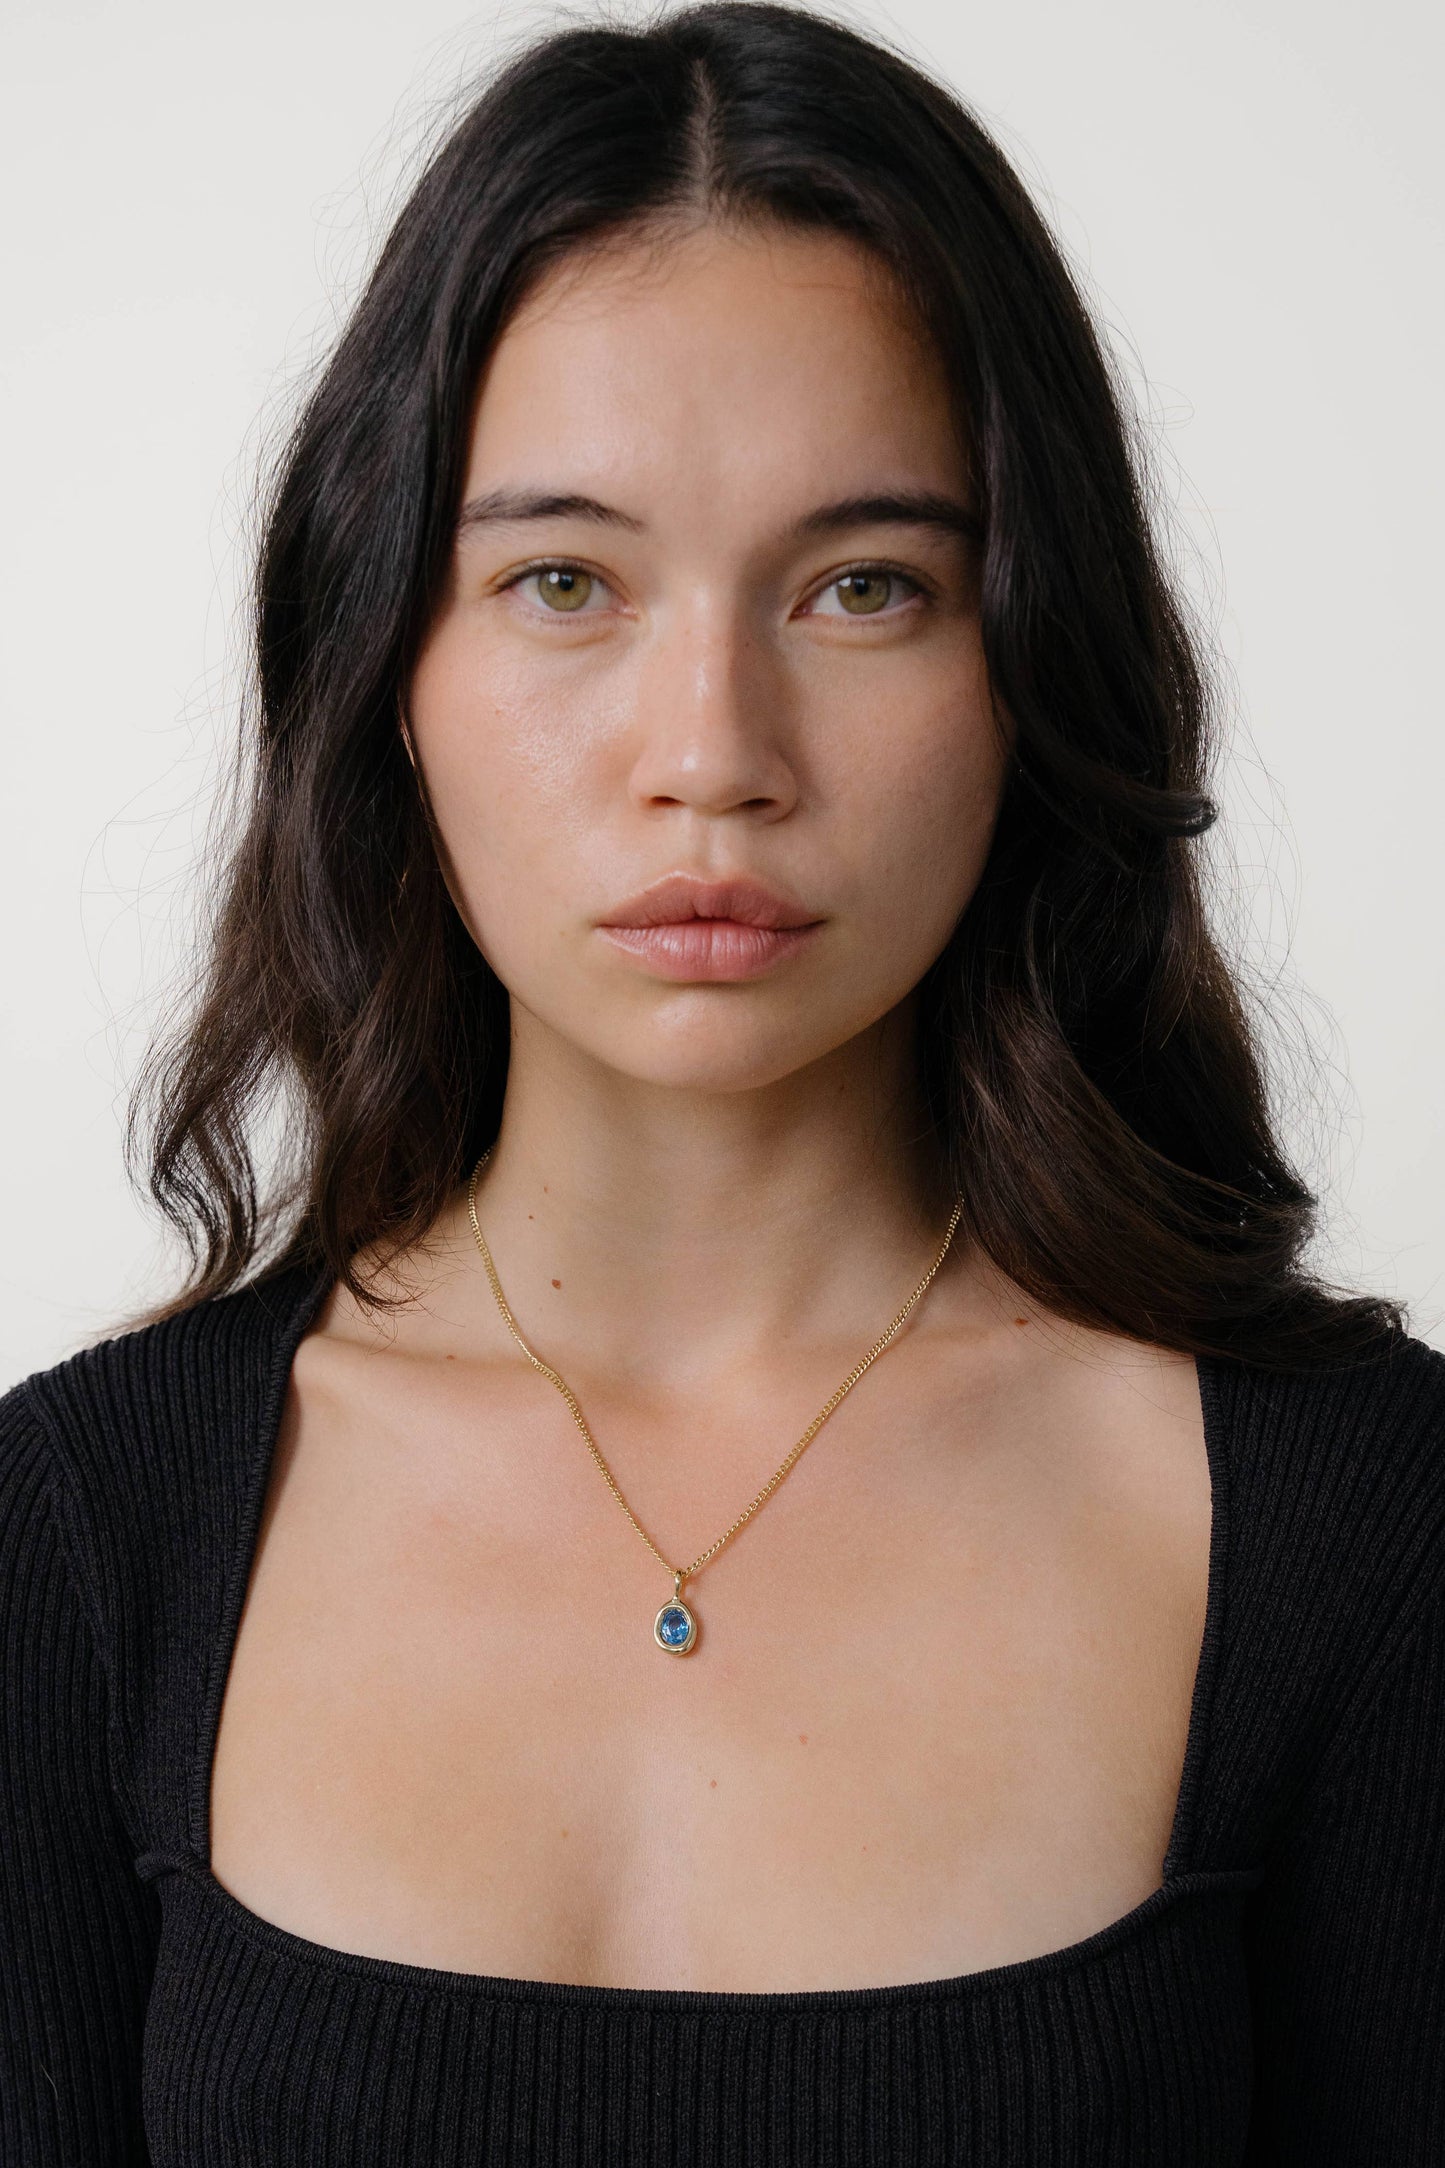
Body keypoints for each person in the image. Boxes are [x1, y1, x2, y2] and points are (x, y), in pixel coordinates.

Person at [2, 4, 1442, 2161]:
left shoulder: (1365, 1527)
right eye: (564, 580)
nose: (714, 748)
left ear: (1028, 662)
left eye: (865, 586)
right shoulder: (80, 1534)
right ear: (392, 658)